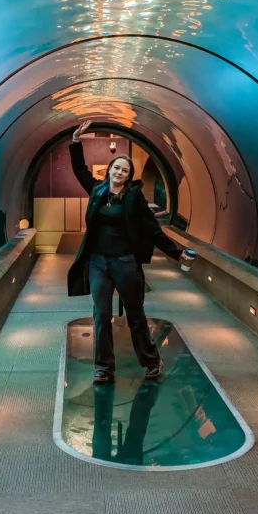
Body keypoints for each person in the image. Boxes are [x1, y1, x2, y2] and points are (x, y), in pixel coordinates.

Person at [67, 120, 184, 383]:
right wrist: (75, 141)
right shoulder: (97, 190)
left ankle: (151, 360)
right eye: (117, 168)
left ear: (129, 176)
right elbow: (79, 169)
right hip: (98, 263)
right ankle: (103, 368)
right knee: (101, 315)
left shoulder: (133, 198)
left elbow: (153, 229)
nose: (119, 172)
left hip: (125, 262)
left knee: (135, 313)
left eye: (125, 170)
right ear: (109, 170)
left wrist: (176, 253)